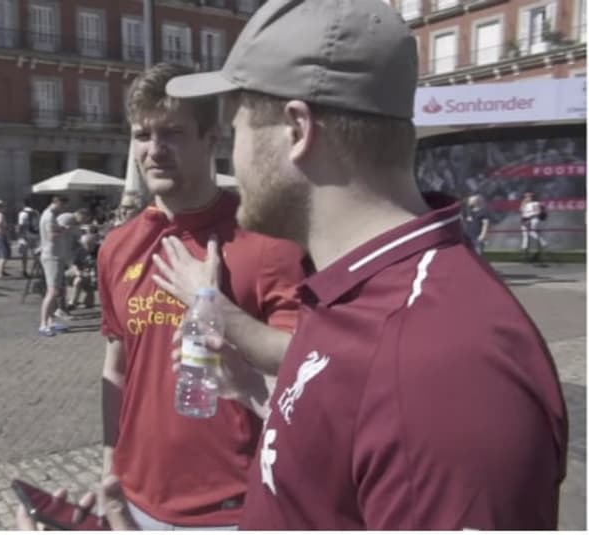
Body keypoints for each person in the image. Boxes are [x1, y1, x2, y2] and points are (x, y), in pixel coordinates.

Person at [155, 0, 566, 529]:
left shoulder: (440, 368)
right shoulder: (358, 290)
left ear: (295, 129)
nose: (229, 160)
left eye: (237, 131)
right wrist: (259, 393)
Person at [97, 62, 306, 530]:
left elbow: (306, 373)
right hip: (137, 498)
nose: (154, 150)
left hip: (236, 504)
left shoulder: (268, 243)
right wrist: (111, 462)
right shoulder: (117, 246)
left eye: (171, 133)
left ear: (212, 138)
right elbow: (116, 367)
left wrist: (214, 303)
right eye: (141, 135)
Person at [37, 195, 68, 336]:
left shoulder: (48, 214)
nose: (63, 209)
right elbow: (51, 236)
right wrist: (63, 229)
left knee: (54, 290)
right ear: (56, 202)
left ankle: (51, 320)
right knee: (52, 291)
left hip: (53, 255)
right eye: (62, 205)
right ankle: (43, 324)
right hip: (52, 256)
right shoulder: (49, 216)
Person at [520, 191, 547, 263]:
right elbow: (522, 212)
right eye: (526, 196)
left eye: (529, 196)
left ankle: (542, 243)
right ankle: (525, 256)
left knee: (532, 232)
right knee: (525, 238)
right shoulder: (524, 203)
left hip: (532, 220)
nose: (527, 198)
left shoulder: (535, 203)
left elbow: (538, 212)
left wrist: (530, 217)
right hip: (524, 221)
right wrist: (525, 219)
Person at [16, 200, 39, 278]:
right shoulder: (36, 212)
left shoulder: (22, 213)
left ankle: (24, 270)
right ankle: (36, 270)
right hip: (34, 235)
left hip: (25, 236)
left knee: (24, 254)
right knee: (35, 253)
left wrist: (19, 236)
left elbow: (21, 225)